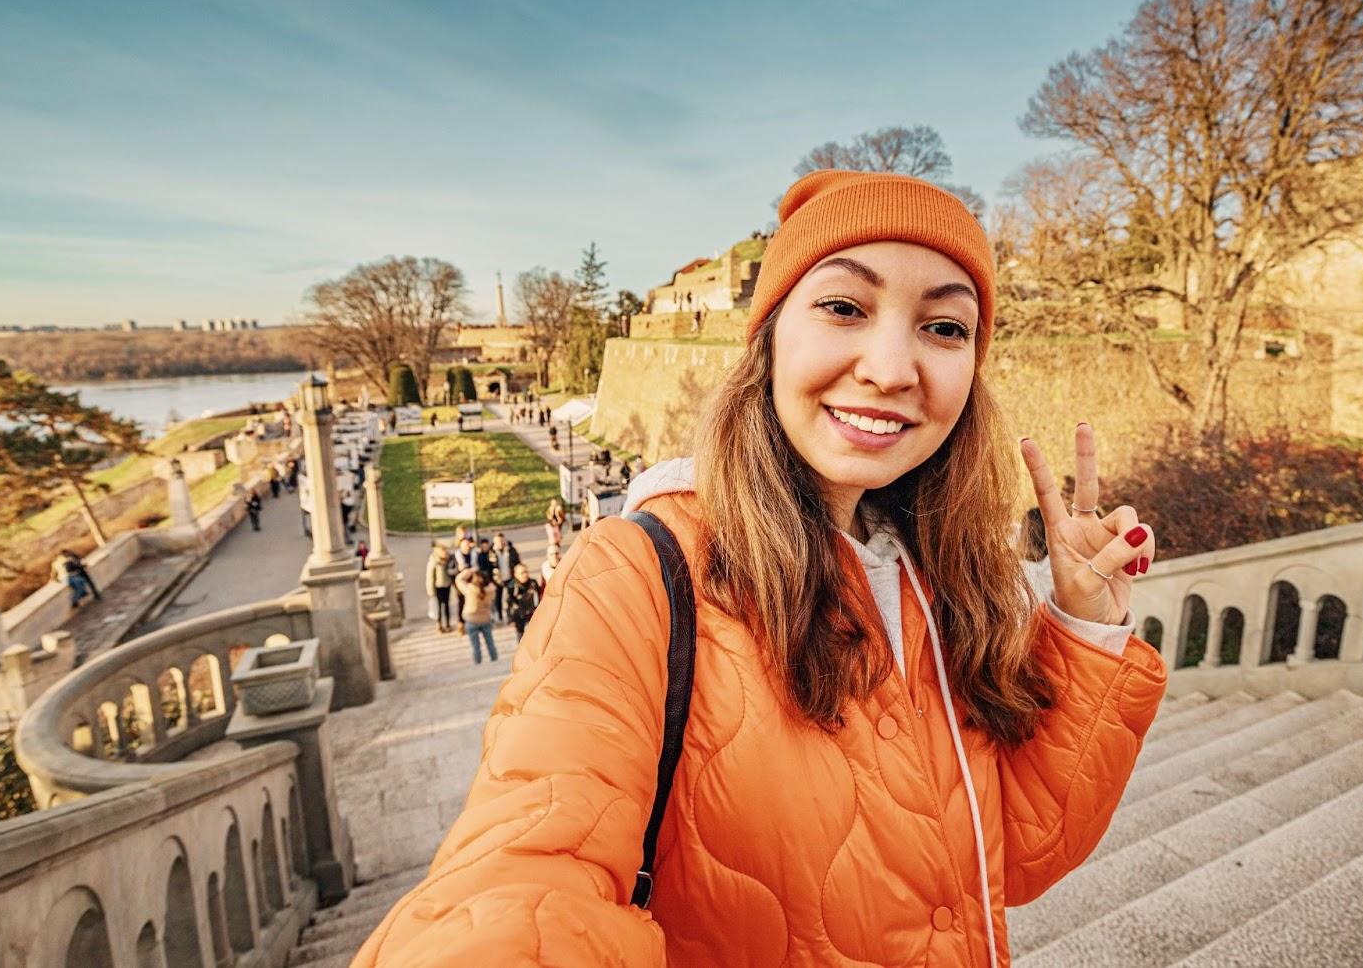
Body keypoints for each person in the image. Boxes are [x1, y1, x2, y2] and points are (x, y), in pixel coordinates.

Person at [356, 169, 1164, 966]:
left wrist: (1083, 622)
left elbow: (1012, 855)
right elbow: (521, 882)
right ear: (769, 337)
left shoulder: (947, 575)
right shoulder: (632, 577)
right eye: (844, 307)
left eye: (945, 328)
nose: (891, 367)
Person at [457, 569, 498, 664]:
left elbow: (459, 579)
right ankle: (494, 660)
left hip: (471, 620)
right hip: (485, 619)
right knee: (490, 642)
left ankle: (478, 662)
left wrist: (469, 571)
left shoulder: (470, 589)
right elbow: (493, 587)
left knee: (475, 645)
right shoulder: (491, 591)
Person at [503, 562, 541, 639]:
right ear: (516, 574)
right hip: (518, 614)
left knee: (535, 636)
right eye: (522, 573)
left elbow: (540, 597)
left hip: (531, 612)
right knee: (521, 637)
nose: (525, 575)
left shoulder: (533, 583)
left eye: (526, 572)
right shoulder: (510, 586)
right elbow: (506, 603)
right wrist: (510, 619)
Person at [489, 532, 520, 621]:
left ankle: (510, 615)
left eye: (502, 541)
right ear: (494, 542)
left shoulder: (511, 550)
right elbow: (489, 567)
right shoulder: (491, 552)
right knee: (498, 598)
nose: (500, 543)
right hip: (497, 580)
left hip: (510, 578)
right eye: (498, 541)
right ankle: (499, 616)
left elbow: (517, 561)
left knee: (511, 597)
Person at [426, 543, 454, 632]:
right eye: (443, 551)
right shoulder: (434, 561)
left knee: (446, 606)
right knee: (438, 607)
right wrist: (431, 591)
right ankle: (439, 624)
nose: (445, 552)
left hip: (447, 585)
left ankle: (448, 624)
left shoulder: (448, 559)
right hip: (438, 587)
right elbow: (430, 576)